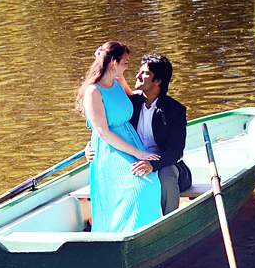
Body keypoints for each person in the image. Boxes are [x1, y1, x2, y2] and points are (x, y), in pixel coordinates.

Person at [76, 41, 162, 233]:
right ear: (112, 62)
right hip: (110, 148)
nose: (127, 66)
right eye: (125, 61)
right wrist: (138, 153)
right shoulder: (93, 91)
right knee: (138, 189)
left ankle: (148, 233)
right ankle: (122, 233)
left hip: (130, 140)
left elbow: (133, 102)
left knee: (151, 183)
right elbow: (102, 131)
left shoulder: (118, 82)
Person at [128, 53, 192, 216]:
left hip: (166, 163)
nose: (138, 76)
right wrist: (91, 145)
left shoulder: (175, 110)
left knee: (166, 172)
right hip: (134, 158)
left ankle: (169, 222)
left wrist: (153, 165)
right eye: (139, 71)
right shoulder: (130, 103)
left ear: (158, 81)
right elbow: (106, 125)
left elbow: (175, 151)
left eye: (145, 73)